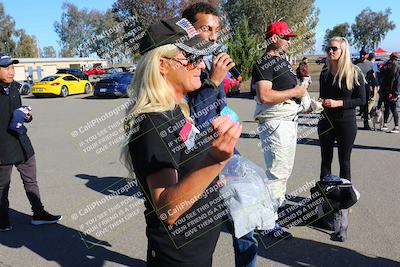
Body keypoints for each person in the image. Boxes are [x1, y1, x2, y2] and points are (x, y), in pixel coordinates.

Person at [122, 17, 242, 267]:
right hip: (177, 258)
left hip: (194, 252)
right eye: (191, 59)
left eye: (201, 58)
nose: (201, 65)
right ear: (162, 66)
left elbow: (184, 164)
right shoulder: (153, 122)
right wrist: (215, 159)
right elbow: (167, 210)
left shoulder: (177, 111)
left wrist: (211, 145)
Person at [182, 3, 259, 267]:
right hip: (200, 164)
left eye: (216, 30)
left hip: (225, 158)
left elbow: (216, 111)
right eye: (207, 29)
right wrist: (213, 82)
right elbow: (192, 119)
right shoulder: (182, 68)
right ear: (189, 30)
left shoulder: (208, 64)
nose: (214, 37)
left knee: (245, 228)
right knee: (202, 240)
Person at [252, 21, 308, 239]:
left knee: (283, 171)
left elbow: (289, 93)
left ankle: (272, 210)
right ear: (274, 39)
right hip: (276, 123)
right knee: (277, 172)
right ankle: (266, 222)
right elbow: (265, 96)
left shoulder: (281, 62)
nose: (289, 42)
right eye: (287, 38)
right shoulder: (264, 62)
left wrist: (306, 101)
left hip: (287, 120)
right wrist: (296, 90)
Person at [0, 53, 62, 232]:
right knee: (2, 187)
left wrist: (27, 116)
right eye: (6, 67)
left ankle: (39, 213)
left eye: (12, 67)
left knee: (31, 181)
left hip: (22, 144)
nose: (11, 71)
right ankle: (2, 220)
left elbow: (16, 111)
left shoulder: (14, 88)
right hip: (3, 148)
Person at [318, 37, 366, 181]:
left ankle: (345, 198)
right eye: (328, 49)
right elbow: (323, 96)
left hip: (346, 121)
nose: (330, 51)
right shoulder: (325, 72)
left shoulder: (354, 72)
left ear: (343, 51)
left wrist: (338, 103)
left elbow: (362, 100)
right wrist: (317, 103)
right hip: (326, 121)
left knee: (344, 162)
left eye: (334, 48)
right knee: (325, 160)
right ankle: (325, 196)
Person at [380, 52, 399, 133]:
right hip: (387, 91)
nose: (391, 60)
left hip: (393, 92)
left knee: (393, 109)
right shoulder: (388, 66)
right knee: (387, 108)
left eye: (392, 59)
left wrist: (396, 93)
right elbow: (383, 75)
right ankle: (385, 124)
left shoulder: (397, 67)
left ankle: (396, 126)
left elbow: (398, 82)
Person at [356, 48, 373, 130]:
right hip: (355, 86)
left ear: (367, 55)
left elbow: (373, 76)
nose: (362, 55)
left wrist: (373, 87)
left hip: (365, 87)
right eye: (361, 53)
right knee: (353, 105)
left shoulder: (370, 64)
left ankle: (366, 124)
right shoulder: (355, 63)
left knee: (365, 105)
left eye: (364, 54)